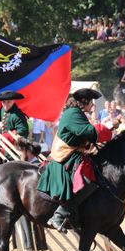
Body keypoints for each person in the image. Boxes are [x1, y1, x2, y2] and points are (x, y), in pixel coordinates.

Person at [39, 88, 101, 232]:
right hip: (65, 158)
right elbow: (90, 132)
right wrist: (108, 127)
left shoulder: (76, 113)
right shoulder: (73, 114)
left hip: (72, 154)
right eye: (91, 102)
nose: (92, 105)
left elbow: (84, 137)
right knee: (88, 183)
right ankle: (59, 215)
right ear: (84, 102)